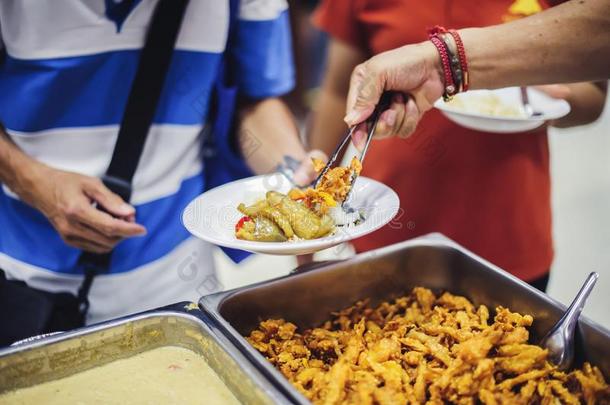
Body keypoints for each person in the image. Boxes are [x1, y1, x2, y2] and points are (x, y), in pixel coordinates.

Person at [0, 0, 317, 334]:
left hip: (179, 282)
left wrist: (293, 174)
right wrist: (33, 182)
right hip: (22, 280)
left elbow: (253, 100)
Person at [310, 0, 606, 291]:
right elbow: (338, 90)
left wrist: (543, 98)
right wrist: (313, 195)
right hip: (386, 226)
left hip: (507, 235)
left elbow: (594, 85)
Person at [342, 0, 610, 138]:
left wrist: (548, 106)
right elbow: (337, 88)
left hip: (511, 208)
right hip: (390, 192)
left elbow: (600, 36)